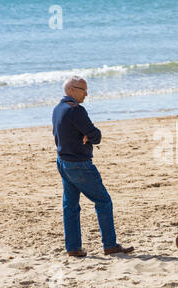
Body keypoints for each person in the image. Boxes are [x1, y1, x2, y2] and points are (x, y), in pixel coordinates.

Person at [52, 76, 134, 257]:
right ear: (71, 90)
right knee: (103, 201)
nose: (86, 94)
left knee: (70, 206)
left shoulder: (57, 109)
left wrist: (86, 135)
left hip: (63, 162)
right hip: (79, 164)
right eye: (83, 90)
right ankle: (110, 245)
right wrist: (88, 136)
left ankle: (73, 248)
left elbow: (64, 135)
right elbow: (96, 136)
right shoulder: (76, 111)